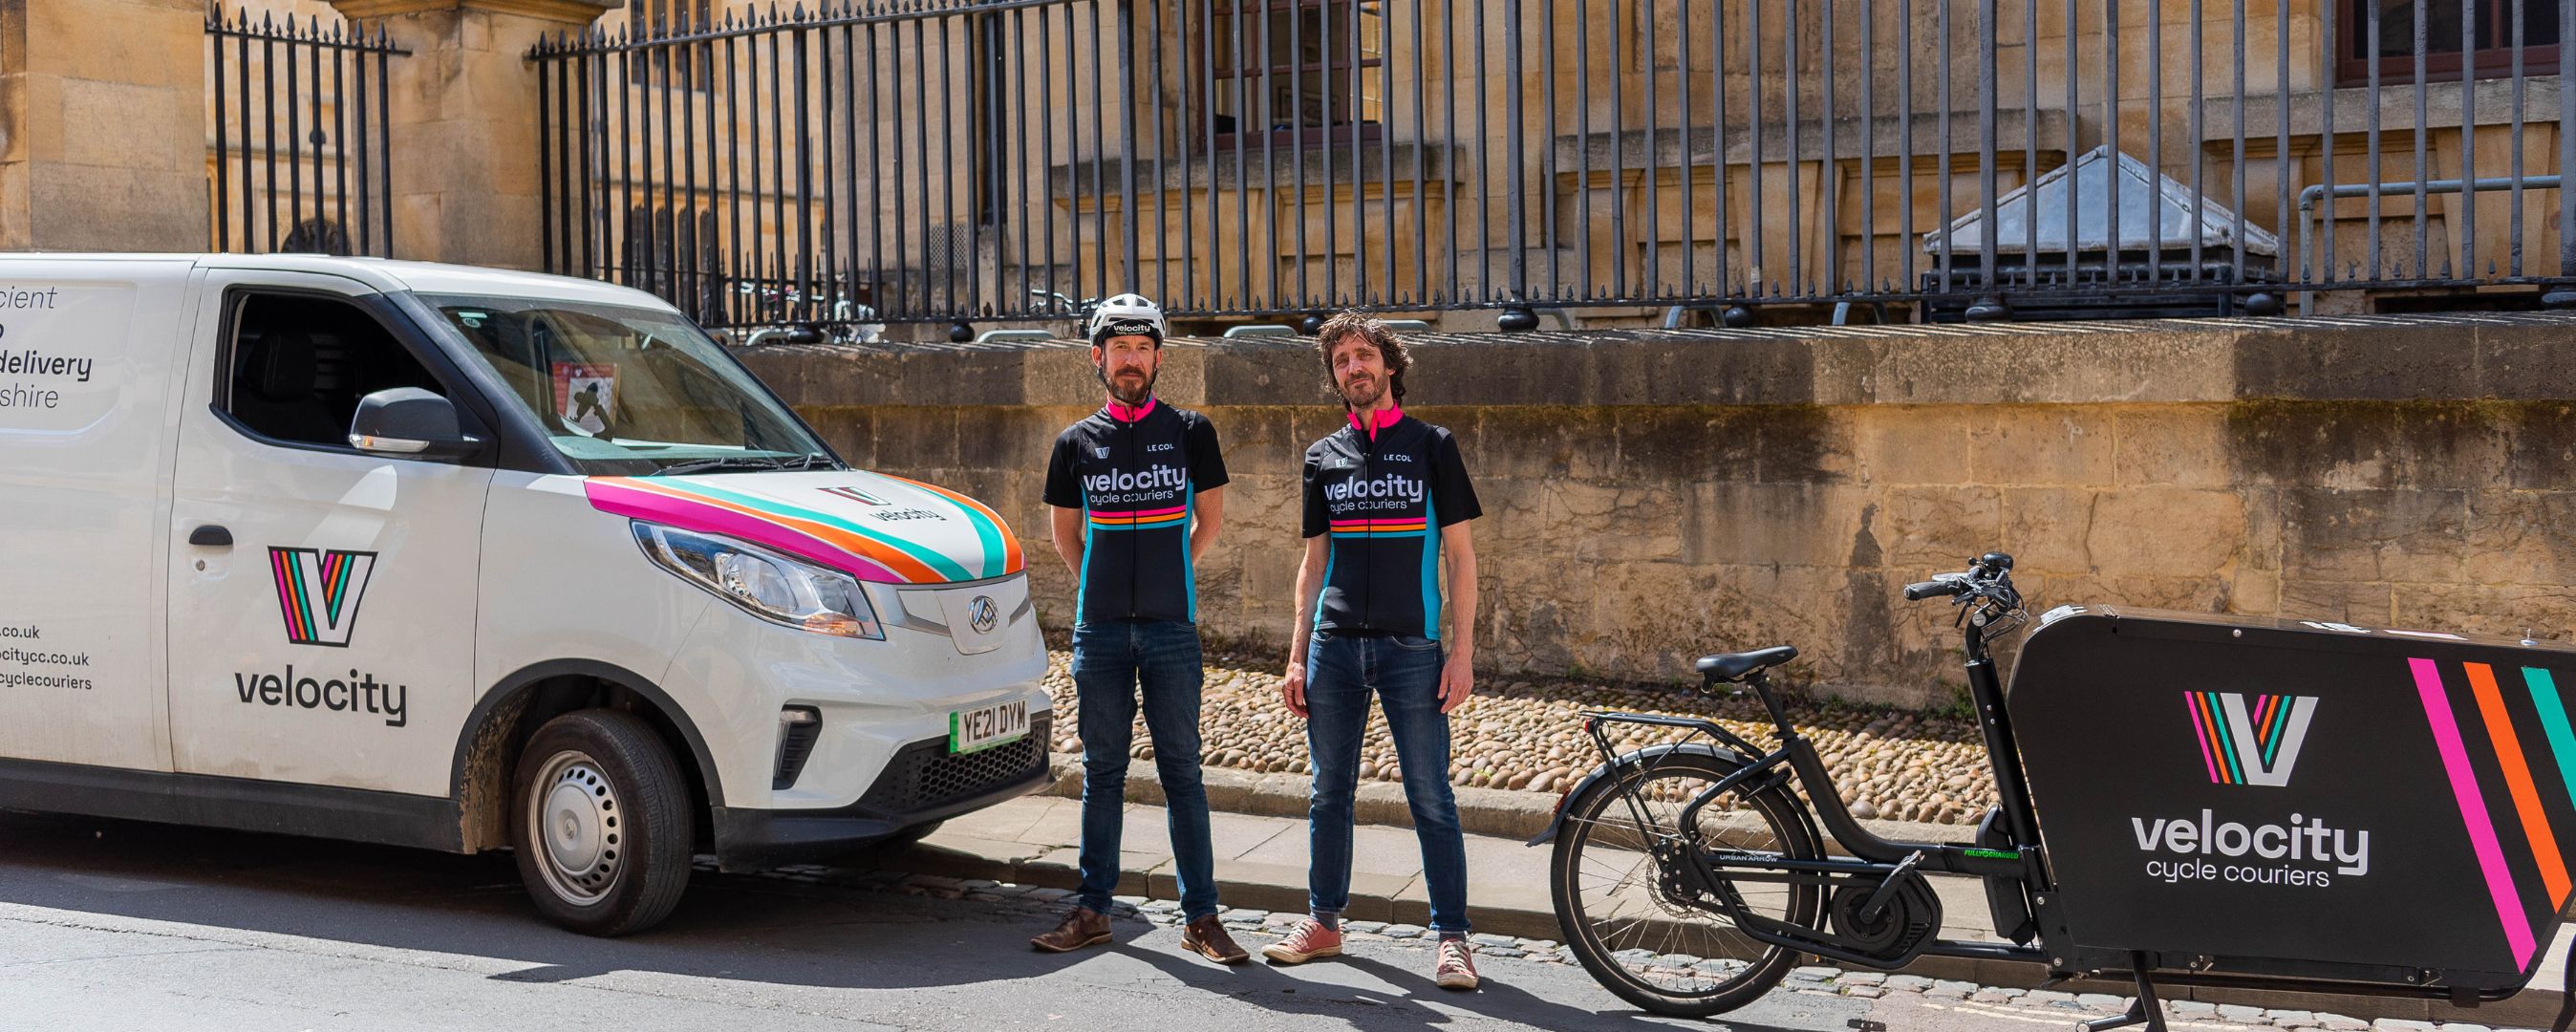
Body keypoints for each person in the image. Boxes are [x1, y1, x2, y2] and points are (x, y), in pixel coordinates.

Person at [1264, 312, 1484, 990]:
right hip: (1333, 648)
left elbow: (1461, 557)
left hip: (1412, 646)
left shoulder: (1432, 445)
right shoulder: (1321, 457)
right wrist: (1296, 654)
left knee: (1430, 795)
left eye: (1364, 355)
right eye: (1341, 361)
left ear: (1389, 365)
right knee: (1328, 792)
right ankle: (1324, 922)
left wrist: (1461, 653)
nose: (1353, 368)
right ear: (1334, 377)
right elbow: (1312, 564)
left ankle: (1453, 939)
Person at [1028, 293, 1249, 965]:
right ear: (1098, 358)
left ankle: (1201, 917)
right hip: (1098, 633)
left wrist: (1169, 574)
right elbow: (1065, 535)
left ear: (1158, 358)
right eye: (1119, 348)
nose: (1131, 359)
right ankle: (1093, 910)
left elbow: (1209, 522)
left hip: (1170, 629)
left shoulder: (1191, 431)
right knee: (1103, 771)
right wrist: (1098, 584)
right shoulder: (1074, 442)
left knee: (1182, 771)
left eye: (1143, 348)